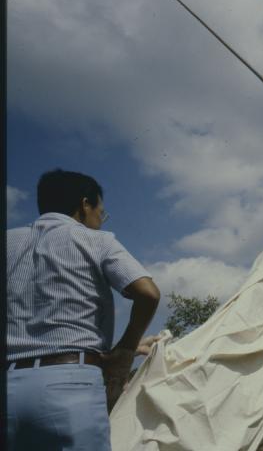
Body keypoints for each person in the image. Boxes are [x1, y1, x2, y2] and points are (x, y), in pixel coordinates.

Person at [6, 169, 161, 451]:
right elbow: (148, 293)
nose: (100, 222)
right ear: (84, 204)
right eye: (101, 213)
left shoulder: (9, 242)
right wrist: (125, 350)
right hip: (70, 386)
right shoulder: (95, 240)